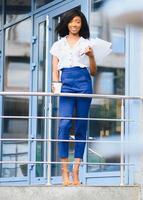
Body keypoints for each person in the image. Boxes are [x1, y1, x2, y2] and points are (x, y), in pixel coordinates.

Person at [50, 9, 96, 186]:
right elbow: (55, 68)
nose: (74, 24)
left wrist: (91, 56)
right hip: (66, 82)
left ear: (81, 24)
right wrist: (55, 84)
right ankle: (64, 170)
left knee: (81, 126)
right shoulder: (58, 45)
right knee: (64, 124)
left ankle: (76, 170)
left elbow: (93, 71)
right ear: (66, 23)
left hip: (84, 83)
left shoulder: (87, 44)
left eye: (78, 21)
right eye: (71, 21)